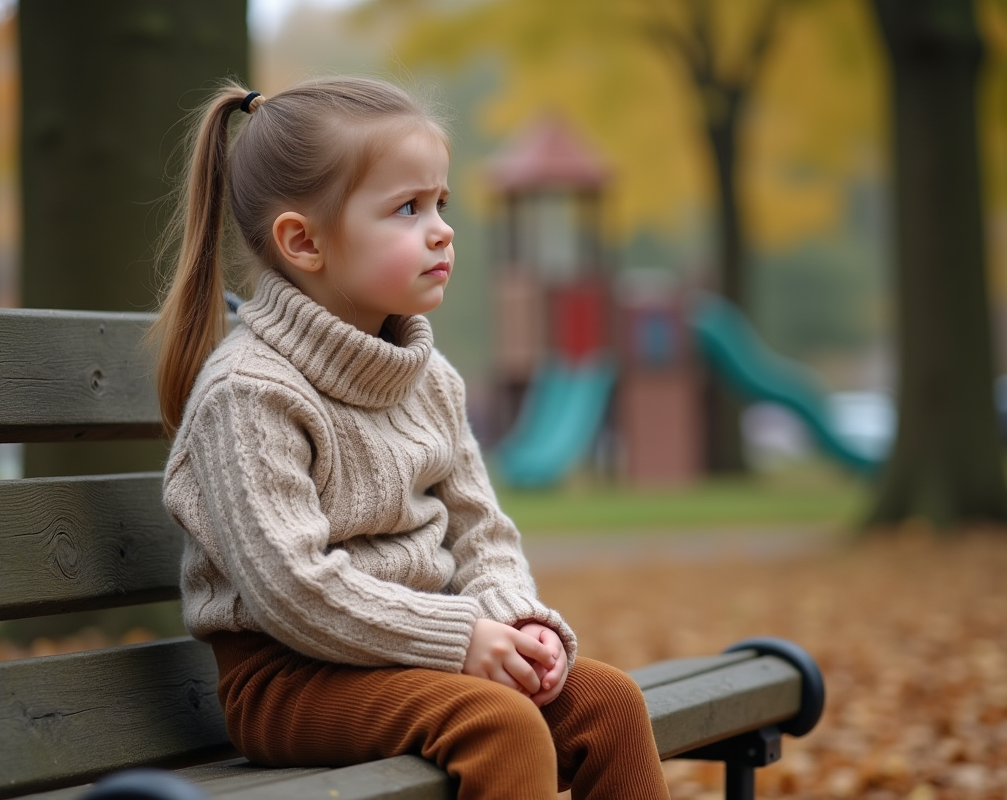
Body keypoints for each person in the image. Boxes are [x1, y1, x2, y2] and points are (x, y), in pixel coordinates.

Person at [151, 76, 670, 800]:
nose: (441, 229)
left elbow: (482, 533)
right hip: (290, 676)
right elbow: (292, 590)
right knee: (502, 724)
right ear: (304, 241)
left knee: (607, 705)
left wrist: (515, 620)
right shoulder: (249, 393)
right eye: (406, 208)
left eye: (440, 204)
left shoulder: (429, 379)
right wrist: (462, 638)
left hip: (423, 653)